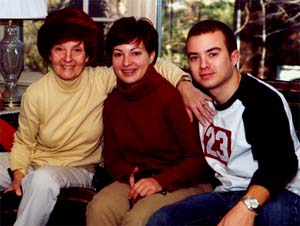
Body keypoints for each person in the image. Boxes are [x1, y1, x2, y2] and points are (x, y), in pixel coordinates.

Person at [0, 8, 213, 226]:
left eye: (77, 50)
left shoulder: (102, 81)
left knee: (41, 180)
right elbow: (24, 142)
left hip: (76, 168)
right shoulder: (37, 93)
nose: (67, 58)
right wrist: (18, 173)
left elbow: (155, 64)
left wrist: (184, 84)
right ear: (49, 53)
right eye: (59, 49)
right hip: (37, 161)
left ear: (88, 54)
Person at [147, 19, 300, 226]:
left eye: (213, 54)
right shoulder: (198, 95)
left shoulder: (260, 100)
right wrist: (183, 86)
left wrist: (247, 206)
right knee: (162, 219)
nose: (203, 65)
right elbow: (155, 64)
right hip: (228, 192)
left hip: (280, 192)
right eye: (195, 57)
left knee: (273, 213)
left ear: (234, 57)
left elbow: (281, 166)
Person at [85, 17, 213, 226]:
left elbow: (198, 160)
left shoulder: (172, 98)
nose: (126, 63)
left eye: (136, 53)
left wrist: (159, 182)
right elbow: (112, 157)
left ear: (151, 56)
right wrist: (131, 175)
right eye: (119, 54)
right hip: (136, 180)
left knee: (139, 219)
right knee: (100, 207)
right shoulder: (112, 102)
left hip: (185, 181)